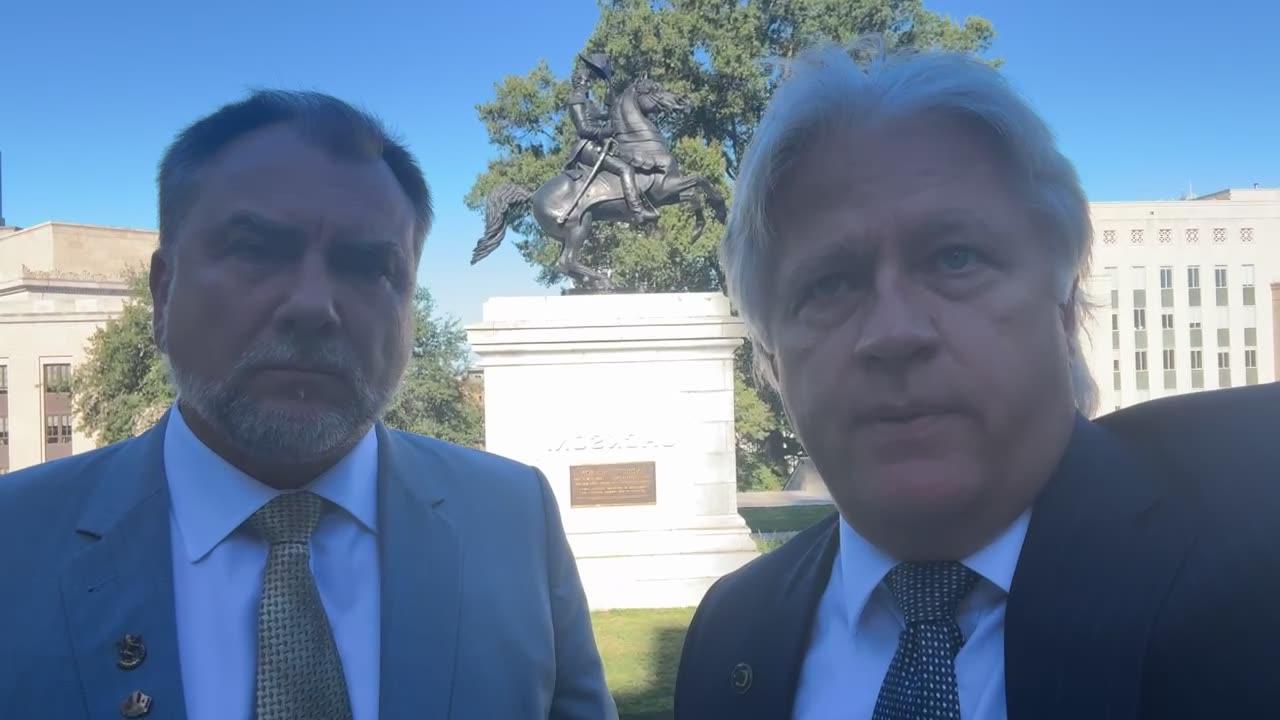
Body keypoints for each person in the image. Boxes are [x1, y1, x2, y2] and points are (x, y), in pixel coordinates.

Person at [674, 38, 1280, 720]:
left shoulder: (1258, 566)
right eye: (831, 283)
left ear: (1066, 306)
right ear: (773, 360)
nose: (894, 333)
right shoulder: (730, 632)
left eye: (954, 258)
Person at [0, 90, 618, 720]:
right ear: (162, 296)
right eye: (256, 252)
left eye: (369, 266)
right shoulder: (14, 542)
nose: (313, 306)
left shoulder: (513, 521)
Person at [566, 52, 659, 224]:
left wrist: (610, 94)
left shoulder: (588, 102)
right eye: (586, 82)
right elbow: (584, 129)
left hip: (596, 144)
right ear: (579, 82)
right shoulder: (576, 101)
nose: (589, 85)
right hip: (586, 148)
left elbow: (604, 114)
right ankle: (637, 211)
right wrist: (606, 132)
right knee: (625, 169)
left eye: (589, 82)